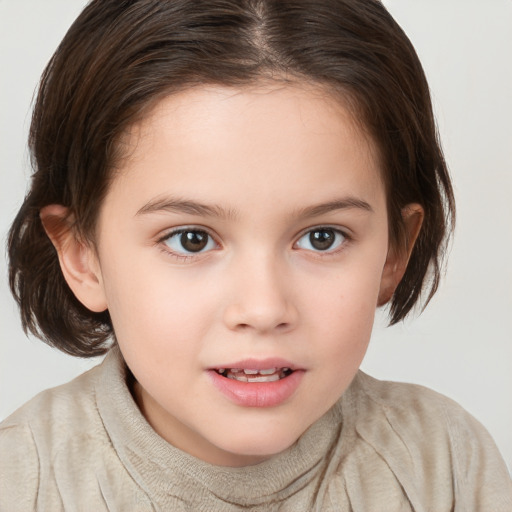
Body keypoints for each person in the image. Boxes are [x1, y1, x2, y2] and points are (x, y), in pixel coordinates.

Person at [1, 0, 511, 509]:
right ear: (83, 255)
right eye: (191, 239)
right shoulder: (21, 483)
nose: (264, 309)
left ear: (394, 251)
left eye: (322, 237)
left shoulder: (444, 465)